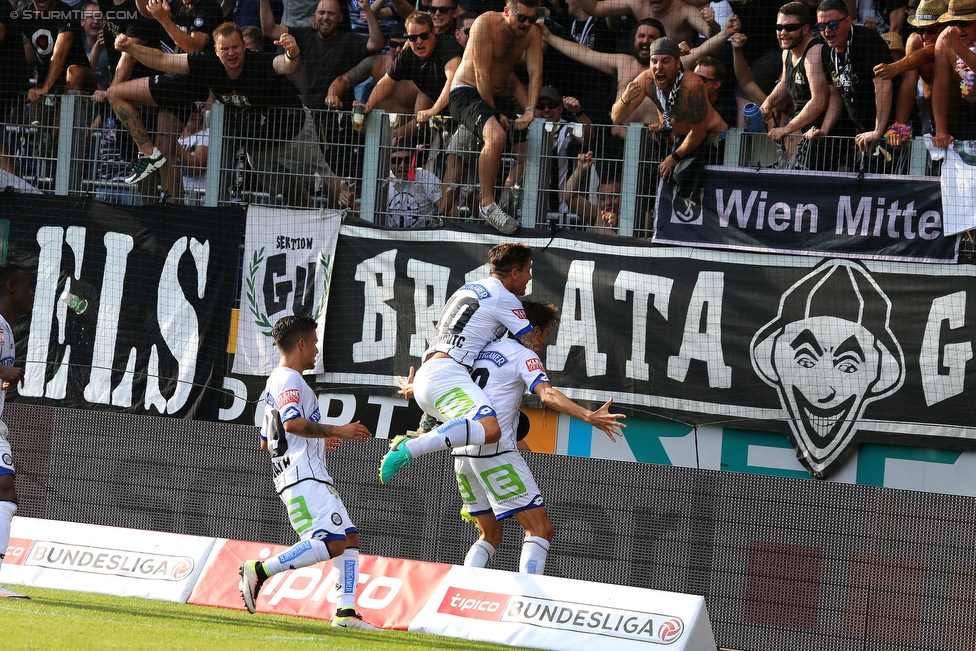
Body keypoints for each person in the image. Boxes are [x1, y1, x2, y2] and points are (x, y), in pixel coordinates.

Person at [395, 300, 625, 575]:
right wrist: (589, 416)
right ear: (534, 330)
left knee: (489, 534)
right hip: (495, 450)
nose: (542, 343)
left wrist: (413, 388)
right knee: (539, 529)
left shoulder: (476, 351)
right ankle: (525, 603)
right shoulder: (523, 356)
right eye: (545, 336)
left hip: (462, 453)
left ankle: (465, 592)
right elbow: (547, 394)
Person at [239, 315, 378, 629]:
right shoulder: (289, 379)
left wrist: (317, 440)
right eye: (314, 343)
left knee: (349, 537)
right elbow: (290, 424)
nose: (316, 350)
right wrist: (337, 430)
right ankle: (259, 570)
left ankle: (345, 613)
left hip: (303, 474)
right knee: (331, 541)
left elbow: (268, 442)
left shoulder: (276, 381)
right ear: (300, 343)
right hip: (304, 477)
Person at [114, 22, 350, 206]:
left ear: (244, 47)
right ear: (216, 51)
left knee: (327, 183)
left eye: (236, 47)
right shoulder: (206, 64)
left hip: (292, 132)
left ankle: (355, 219)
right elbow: (163, 59)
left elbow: (286, 65)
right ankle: (306, 223)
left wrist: (293, 53)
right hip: (258, 144)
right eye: (224, 49)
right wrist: (131, 48)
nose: (231, 53)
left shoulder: (258, 63)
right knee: (286, 190)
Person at [378, 242, 543, 484]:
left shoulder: (468, 289)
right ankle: (410, 447)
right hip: (447, 374)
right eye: (528, 270)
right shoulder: (505, 298)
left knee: (473, 430)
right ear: (514, 272)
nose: (530, 277)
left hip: (433, 373)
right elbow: (532, 345)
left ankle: (477, 503)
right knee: (490, 430)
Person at [446, 0, 545, 234]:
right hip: (467, 92)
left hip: (496, 96)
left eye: (532, 19)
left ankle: (516, 207)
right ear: (507, 11)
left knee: (530, 145)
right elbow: (481, 75)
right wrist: (494, 112)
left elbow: (536, 73)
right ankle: (487, 205)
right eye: (522, 18)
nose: (527, 24)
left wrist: (530, 109)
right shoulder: (485, 23)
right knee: (497, 135)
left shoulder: (531, 33)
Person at [612, 37, 727, 191]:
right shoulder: (646, 80)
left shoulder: (692, 85)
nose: (659, 67)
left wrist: (673, 158)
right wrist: (624, 100)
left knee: (707, 197)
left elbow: (699, 132)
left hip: (713, 141)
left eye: (665, 61)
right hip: (681, 142)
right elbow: (616, 118)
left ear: (678, 64)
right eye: (654, 61)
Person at [263, 0, 384, 110]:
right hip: (309, 115)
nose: (325, 17)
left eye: (331, 13)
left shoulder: (348, 40)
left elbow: (376, 44)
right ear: (314, 17)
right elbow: (270, 30)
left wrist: (367, 10)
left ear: (340, 17)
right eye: (321, 12)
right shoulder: (304, 35)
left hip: (339, 118)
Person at [813, 0, 894, 158]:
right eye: (821, 26)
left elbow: (884, 86)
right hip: (864, 133)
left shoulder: (868, 41)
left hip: (890, 131)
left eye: (833, 24)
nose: (827, 31)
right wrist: (824, 129)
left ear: (848, 21)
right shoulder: (827, 52)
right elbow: (836, 96)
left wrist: (878, 131)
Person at [0, 263, 35, 600]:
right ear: (11, 288)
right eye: (27, 286)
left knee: (5, 490)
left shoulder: (7, 328)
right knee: (4, 492)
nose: (31, 293)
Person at [360, 11, 463, 122]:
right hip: (443, 117)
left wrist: (433, 109)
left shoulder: (448, 46)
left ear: (433, 32)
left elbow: (453, 81)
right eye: (413, 38)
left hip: (464, 109)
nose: (419, 41)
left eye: (424, 36)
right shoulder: (407, 53)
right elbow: (386, 82)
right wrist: (368, 105)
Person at [873, 0, 946, 146]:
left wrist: (895, 67)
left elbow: (929, 53)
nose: (925, 36)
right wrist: (900, 127)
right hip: (933, 126)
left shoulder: (952, 38)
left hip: (965, 121)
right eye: (920, 30)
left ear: (945, 26)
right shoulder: (915, 40)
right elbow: (909, 85)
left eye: (931, 30)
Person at [760, 2, 832, 142]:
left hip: (824, 131)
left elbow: (819, 100)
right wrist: (768, 103)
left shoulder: (814, 53)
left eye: (790, 28)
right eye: (779, 27)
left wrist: (786, 129)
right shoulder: (787, 52)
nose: (783, 33)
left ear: (805, 29)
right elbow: (785, 83)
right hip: (806, 127)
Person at [930, 0, 976, 149]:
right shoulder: (945, 39)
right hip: (968, 115)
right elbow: (940, 86)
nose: (958, 29)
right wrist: (941, 130)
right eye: (954, 22)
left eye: (965, 23)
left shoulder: (952, 42)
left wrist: (956, 47)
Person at [573, 0, 716, 46]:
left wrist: (712, 23)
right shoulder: (637, 3)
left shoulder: (685, 10)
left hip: (677, 73)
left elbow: (711, 34)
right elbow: (595, 8)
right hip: (644, 70)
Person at [563, 150, 621, 234]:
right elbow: (568, 197)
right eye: (603, 198)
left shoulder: (631, 216)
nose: (608, 202)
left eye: (613, 196)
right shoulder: (596, 214)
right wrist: (580, 170)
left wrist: (617, 225)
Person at [385, 142, 442, 226]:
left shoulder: (426, 177)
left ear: (414, 161)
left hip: (424, 236)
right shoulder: (384, 180)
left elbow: (448, 207)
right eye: (396, 160)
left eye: (407, 160)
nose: (402, 165)